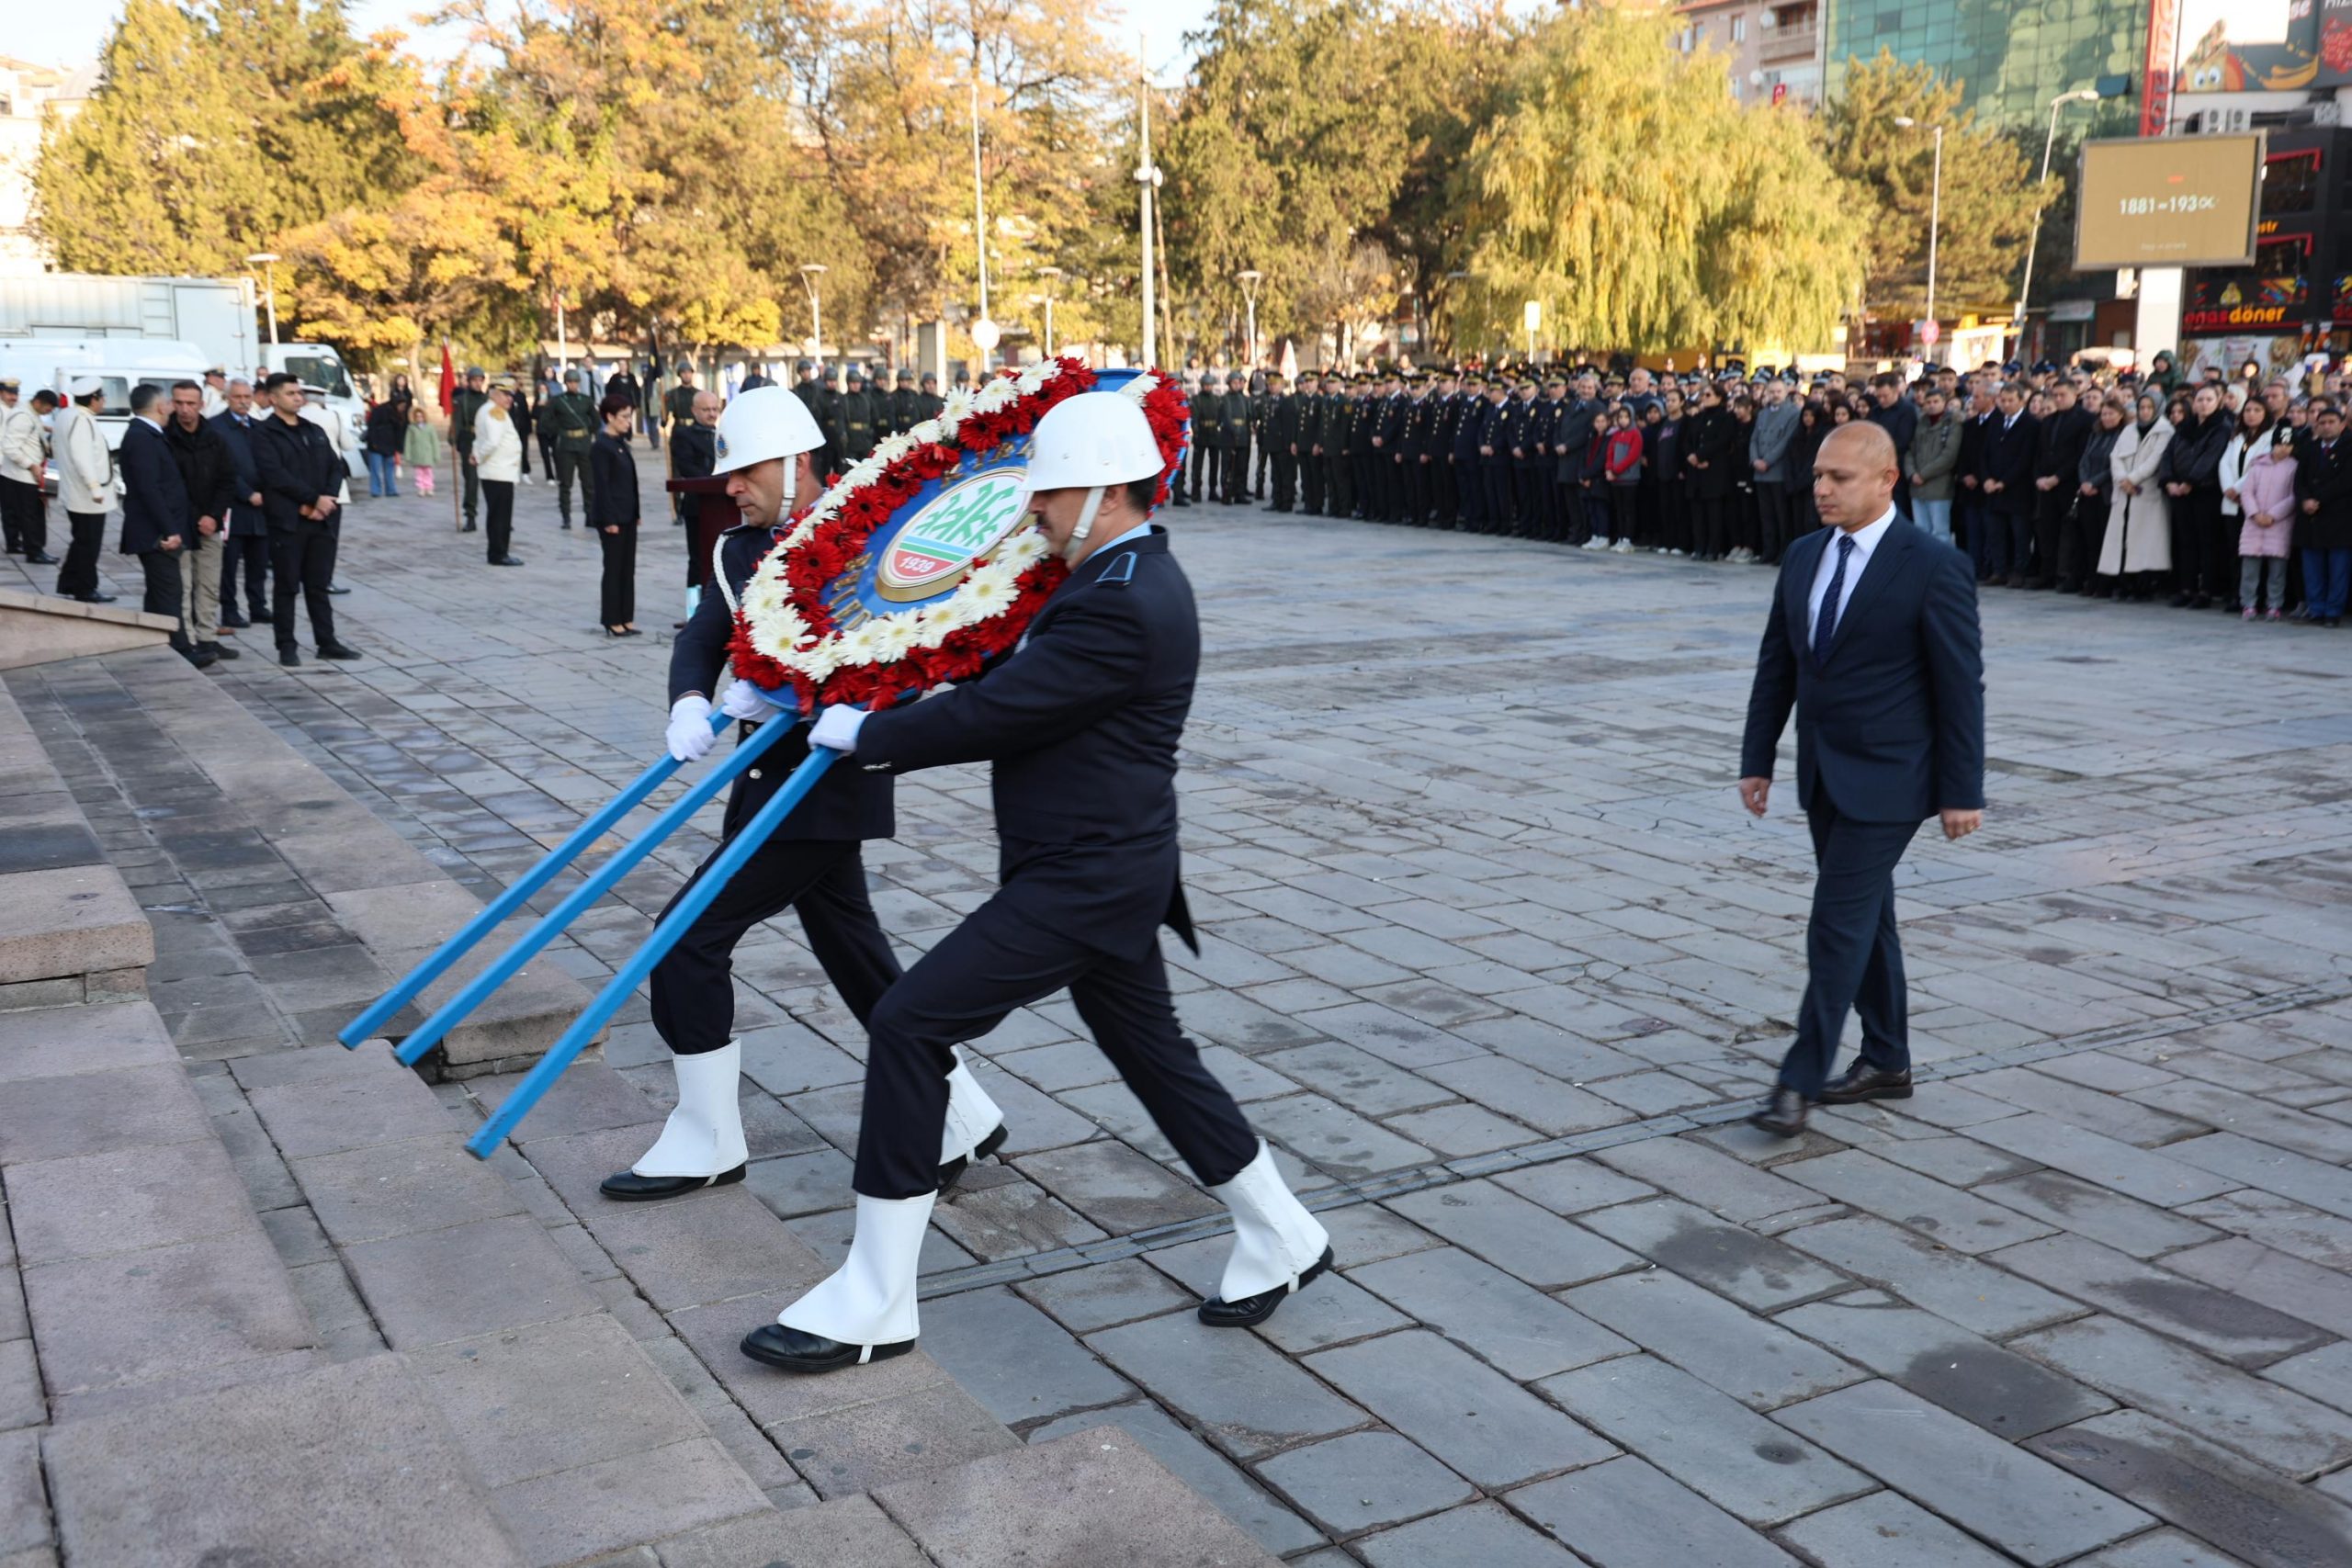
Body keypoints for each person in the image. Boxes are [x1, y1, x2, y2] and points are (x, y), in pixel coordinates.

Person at [743, 389, 1331, 1375]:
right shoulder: (1110, 573)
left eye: (1049, 495)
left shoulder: (1125, 597)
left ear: (1104, 494)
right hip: (1104, 869)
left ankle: (875, 1295)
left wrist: (870, 738)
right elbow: (1006, 687)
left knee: (910, 1023)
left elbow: (1005, 711)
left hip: (1085, 880)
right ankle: (1281, 1232)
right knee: (1155, 1058)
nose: (1034, 513)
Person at [605, 386, 1001, 1204]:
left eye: (744, 472)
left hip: (824, 783)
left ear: (794, 464)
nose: (732, 488)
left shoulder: (874, 535)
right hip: (767, 781)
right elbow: (705, 637)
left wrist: (804, 698)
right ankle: (961, 1114)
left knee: (683, 937)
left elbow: (904, 653)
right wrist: (689, 697)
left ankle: (707, 1136)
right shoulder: (739, 550)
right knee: (859, 964)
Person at [1738, 421, 1984, 1138]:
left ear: (1886, 480)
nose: (1821, 489)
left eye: (1839, 478)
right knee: (1868, 918)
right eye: (1818, 475)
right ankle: (1888, 1059)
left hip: (1893, 778)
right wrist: (1758, 758)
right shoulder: (1803, 554)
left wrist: (1961, 789)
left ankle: (1799, 1077)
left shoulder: (1933, 565)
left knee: (1835, 923)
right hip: (1823, 772)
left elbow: (1960, 686)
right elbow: (1777, 664)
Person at [254, 372, 360, 666]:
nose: (298, 397)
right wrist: (312, 500)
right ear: (273, 399)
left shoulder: (313, 429)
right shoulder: (264, 433)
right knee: (287, 585)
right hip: (288, 521)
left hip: (321, 519)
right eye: (290, 393)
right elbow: (274, 475)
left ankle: (327, 642)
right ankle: (286, 645)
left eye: (299, 392)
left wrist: (325, 500)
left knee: (318, 584)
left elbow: (334, 466)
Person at [118, 384, 213, 668]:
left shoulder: (146, 434)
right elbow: (149, 489)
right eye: (170, 404)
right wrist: (170, 530)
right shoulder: (142, 437)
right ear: (161, 407)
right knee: (169, 593)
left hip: (157, 529)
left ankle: (155, 643)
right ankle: (181, 650)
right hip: (156, 533)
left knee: (160, 592)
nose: (174, 409)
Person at [164, 379, 237, 663]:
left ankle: (208, 637)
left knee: (208, 583)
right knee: (182, 585)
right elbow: (169, 485)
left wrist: (213, 516)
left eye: (190, 403)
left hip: (210, 523)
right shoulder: (165, 436)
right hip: (180, 524)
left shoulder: (214, 437)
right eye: (179, 403)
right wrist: (195, 517)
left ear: (201, 404)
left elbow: (227, 480)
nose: (184, 409)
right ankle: (189, 641)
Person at [2162, 384, 2231, 609]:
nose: (2203, 404)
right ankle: (2186, 587)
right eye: (2200, 399)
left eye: (2209, 399)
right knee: (2185, 541)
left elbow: (2211, 457)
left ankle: (2206, 590)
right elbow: (2168, 455)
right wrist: (2169, 480)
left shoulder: (2221, 428)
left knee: (2207, 543)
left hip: (2205, 491)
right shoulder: (2184, 427)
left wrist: (2190, 482)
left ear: (2218, 402)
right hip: (2179, 491)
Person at [2099, 392, 2173, 601]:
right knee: (2122, 540)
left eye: (2150, 408)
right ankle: (2124, 583)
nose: (2145, 411)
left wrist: (2133, 478)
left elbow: (2155, 460)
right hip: (2124, 491)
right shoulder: (2129, 429)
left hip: (2147, 492)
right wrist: (2122, 479)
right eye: (2142, 407)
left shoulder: (2165, 430)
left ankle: (2144, 585)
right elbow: (2116, 456)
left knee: (2146, 542)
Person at [211, 379, 271, 629]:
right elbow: (221, 468)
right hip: (232, 507)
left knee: (259, 560)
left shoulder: (260, 427)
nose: (244, 401)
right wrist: (246, 493)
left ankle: (258, 606)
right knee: (229, 563)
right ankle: (230, 609)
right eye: (238, 397)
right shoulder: (216, 427)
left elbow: (269, 464)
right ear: (228, 398)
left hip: (261, 507)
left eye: (248, 396)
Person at [53, 379, 113, 603]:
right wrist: (95, 488)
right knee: (89, 544)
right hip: (86, 497)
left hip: (75, 493)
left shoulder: (67, 415)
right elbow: (81, 457)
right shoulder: (81, 420)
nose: (104, 401)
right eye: (102, 397)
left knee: (81, 541)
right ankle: (86, 588)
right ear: (93, 399)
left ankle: (69, 582)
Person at [2294, 402, 2352, 627]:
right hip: (2310, 517)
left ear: (2342, 424)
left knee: (2338, 569)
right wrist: (2305, 499)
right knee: (2312, 567)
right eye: (2322, 423)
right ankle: (2316, 608)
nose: (2326, 427)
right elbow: (2299, 481)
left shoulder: (2349, 447)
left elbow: (2345, 481)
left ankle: (2333, 611)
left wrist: (2319, 499)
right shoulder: (2309, 448)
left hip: (2339, 516)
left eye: (2331, 423)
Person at [2234, 409, 2295, 622]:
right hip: (2254, 524)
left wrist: (2272, 515)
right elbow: (2247, 492)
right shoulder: (2258, 466)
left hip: (2278, 525)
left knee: (2277, 571)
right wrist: (2254, 513)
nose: (2283, 449)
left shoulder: (2293, 467)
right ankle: (2248, 603)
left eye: (2288, 445)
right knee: (2250, 569)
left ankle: (2274, 604)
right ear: (2273, 444)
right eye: (2280, 444)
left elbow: (2292, 497)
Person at [588, 393, 640, 637]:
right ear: (609, 417)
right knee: (613, 568)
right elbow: (602, 486)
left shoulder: (620, 443)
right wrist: (609, 519)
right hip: (612, 517)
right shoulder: (601, 446)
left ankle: (626, 617)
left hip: (627, 514)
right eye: (623, 417)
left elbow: (631, 482)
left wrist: (636, 512)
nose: (628, 421)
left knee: (627, 569)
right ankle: (611, 619)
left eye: (629, 416)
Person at [0, 378, 56, 564]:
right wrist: (31, 465)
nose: (13, 397)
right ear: (38, 402)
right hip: (20, 474)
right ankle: (33, 551)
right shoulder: (22, 415)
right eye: (48, 408)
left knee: (29, 514)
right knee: (27, 515)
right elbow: (9, 447)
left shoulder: (29, 413)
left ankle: (32, 547)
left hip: (23, 473)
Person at [2070, 399, 2122, 596]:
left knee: (2104, 540)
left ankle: (2105, 583)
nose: (2107, 418)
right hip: (2087, 492)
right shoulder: (2096, 434)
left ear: (2120, 416)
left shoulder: (2122, 435)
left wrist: (2094, 482)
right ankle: (2091, 580)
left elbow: (2113, 466)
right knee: (2089, 540)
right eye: (2104, 414)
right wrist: (2085, 482)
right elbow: (2084, 459)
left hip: (2106, 493)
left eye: (2111, 414)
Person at [473, 377, 526, 567]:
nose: (509, 399)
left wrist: (476, 454)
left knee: (498, 514)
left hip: (497, 472)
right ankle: (499, 553)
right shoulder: (495, 412)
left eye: (511, 395)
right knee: (500, 516)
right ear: (494, 395)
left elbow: (478, 440)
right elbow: (492, 442)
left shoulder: (488, 410)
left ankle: (498, 551)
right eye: (505, 395)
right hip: (498, 472)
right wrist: (478, 456)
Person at [546, 367, 599, 529]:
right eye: (570, 382)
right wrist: (559, 430)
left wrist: (588, 433)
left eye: (575, 382)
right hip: (566, 445)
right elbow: (546, 421)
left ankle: (590, 515)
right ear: (566, 383)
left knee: (588, 483)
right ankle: (566, 516)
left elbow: (596, 421)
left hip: (583, 444)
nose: (573, 385)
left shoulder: (586, 400)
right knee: (565, 483)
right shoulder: (558, 401)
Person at [1905, 388, 1960, 547]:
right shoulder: (1921, 423)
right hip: (1917, 487)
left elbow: (1949, 456)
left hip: (1939, 488)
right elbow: (1911, 451)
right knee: (1921, 531)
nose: (1931, 405)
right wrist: (1912, 473)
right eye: (1928, 402)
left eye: (1936, 402)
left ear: (1944, 402)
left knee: (1940, 532)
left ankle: (1943, 568)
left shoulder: (1953, 423)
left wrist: (1924, 474)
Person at [452, 367, 489, 532]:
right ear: (468, 381)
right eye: (474, 380)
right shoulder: (461, 400)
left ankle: (497, 516)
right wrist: (456, 441)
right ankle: (470, 516)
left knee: (492, 479)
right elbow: (457, 422)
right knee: (471, 481)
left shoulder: (488, 400)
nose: (478, 383)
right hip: (469, 439)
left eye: (480, 380)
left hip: (486, 440)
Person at [363, 392, 406, 497]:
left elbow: (399, 433)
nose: (403, 408)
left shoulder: (398, 415)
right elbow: (372, 427)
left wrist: (399, 448)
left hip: (389, 446)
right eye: (401, 406)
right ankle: (376, 491)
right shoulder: (380, 410)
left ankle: (390, 490)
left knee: (389, 469)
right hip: (376, 445)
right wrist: (373, 442)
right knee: (376, 470)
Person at [403, 401, 441, 499]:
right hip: (417, 453)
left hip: (428, 453)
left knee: (428, 472)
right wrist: (407, 454)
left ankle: (429, 487)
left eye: (421, 416)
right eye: (417, 416)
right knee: (419, 473)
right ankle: (421, 488)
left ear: (424, 417)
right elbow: (408, 442)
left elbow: (435, 442)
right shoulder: (411, 428)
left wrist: (436, 454)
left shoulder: (430, 427)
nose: (419, 418)